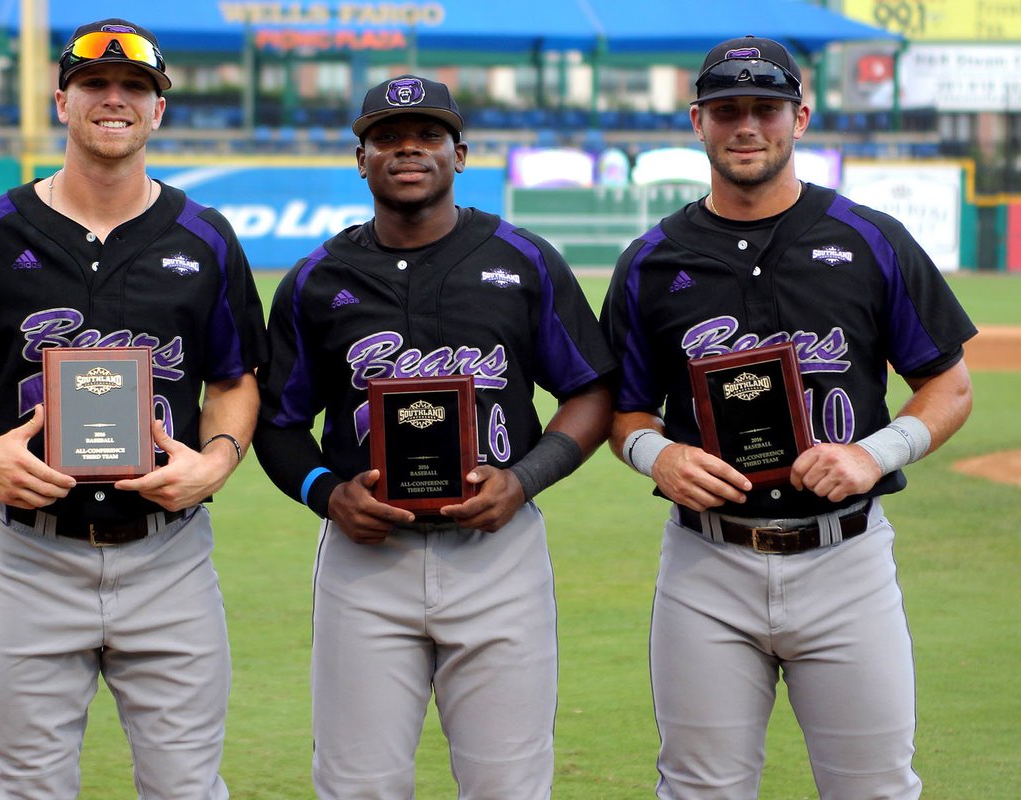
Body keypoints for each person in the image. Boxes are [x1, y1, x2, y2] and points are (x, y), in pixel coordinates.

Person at [0, 18, 266, 798]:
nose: (115, 99)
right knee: (24, 785)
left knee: (187, 786)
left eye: (137, 89)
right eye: (95, 84)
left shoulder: (205, 236)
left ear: (159, 112)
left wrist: (216, 462)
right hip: (33, 556)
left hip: (170, 555)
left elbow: (234, 380)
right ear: (63, 100)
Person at [600, 35, 977, 799]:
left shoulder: (870, 239)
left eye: (765, 109)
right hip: (707, 563)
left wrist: (877, 454)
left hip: (847, 557)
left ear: (800, 117)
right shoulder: (653, 259)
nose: (747, 126)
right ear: (697, 123)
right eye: (727, 110)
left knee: (874, 788)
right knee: (701, 789)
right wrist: (655, 457)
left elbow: (950, 385)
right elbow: (623, 408)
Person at [253, 74, 616, 799]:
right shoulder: (317, 280)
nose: (408, 148)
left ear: (461, 153)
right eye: (387, 136)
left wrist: (527, 478)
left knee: (508, 785)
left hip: (498, 553)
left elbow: (591, 389)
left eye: (429, 135)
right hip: (367, 561)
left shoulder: (522, 259)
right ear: (361, 158)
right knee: (358, 784)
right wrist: (326, 494)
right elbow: (276, 421)